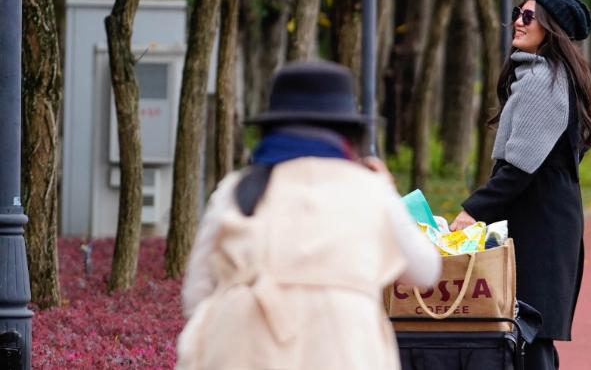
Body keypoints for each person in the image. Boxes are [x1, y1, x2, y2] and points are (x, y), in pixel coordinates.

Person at [176, 61, 441, 370]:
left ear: (270, 128)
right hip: (346, 349)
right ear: (349, 132)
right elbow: (425, 272)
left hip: (242, 349)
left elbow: (196, 294)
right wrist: (389, 190)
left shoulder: (236, 190)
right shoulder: (371, 189)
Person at [450, 0, 591, 370]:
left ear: (550, 29)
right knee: (528, 337)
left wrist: (470, 212)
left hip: (540, 227)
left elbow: (518, 169)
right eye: (518, 12)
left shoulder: (542, 81)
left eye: (528, 16)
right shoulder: (545, 75)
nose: (517, 21)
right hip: (544, 219)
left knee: (529, 337)